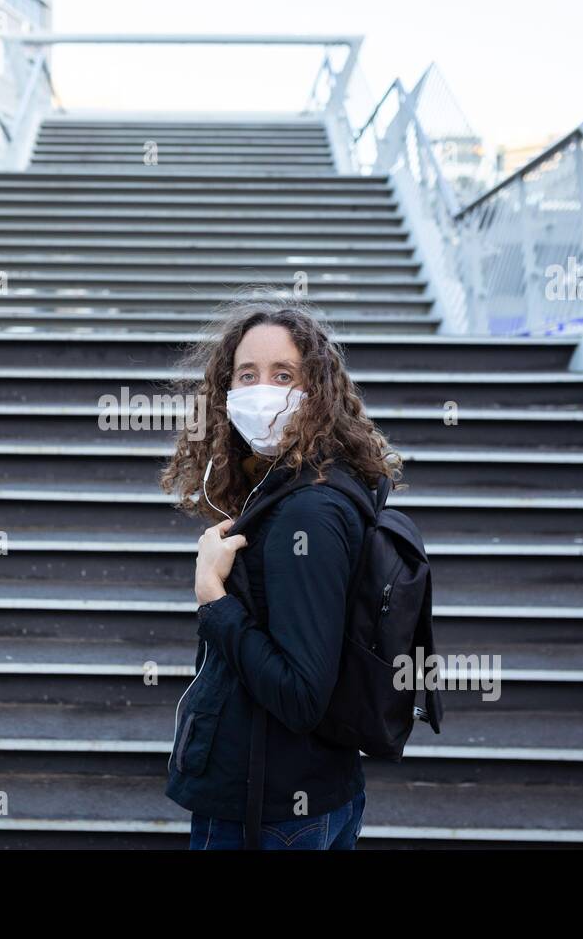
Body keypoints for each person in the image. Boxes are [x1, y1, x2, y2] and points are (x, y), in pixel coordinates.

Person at [160, 297, 403, 850]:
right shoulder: (301, 487)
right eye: (247, 374)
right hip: (296, 800)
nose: (261, 388)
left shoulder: (307, 512)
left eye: (283, 374)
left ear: (316, 391)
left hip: (269, 817)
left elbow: (300, 694)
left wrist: (212, 597)